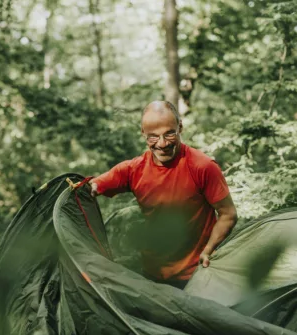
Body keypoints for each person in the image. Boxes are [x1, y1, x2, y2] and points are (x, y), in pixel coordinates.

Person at [90, 101, 238, 289]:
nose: (162, 144)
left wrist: (208, 250)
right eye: (153, 137)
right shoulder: (133, 170)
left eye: (169, 134)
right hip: (152, 274)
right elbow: (92, 187)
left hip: (196, 274)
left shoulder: (202, 166)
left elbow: (228, 214)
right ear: (143, 133)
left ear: (180, 127)